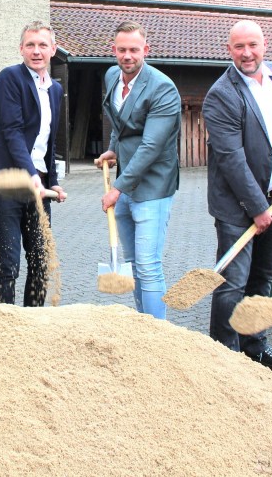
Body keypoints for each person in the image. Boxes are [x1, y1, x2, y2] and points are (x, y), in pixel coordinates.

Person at [203, 20, 272, 370]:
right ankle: (224, 355)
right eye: (239, 47)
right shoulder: (222, 94)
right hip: (239, 205)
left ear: (265, 44)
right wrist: (256, 207)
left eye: (252, 45)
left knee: (262, 278)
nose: (246, 53)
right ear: (228, 49)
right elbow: (231, 159)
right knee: (233, 282)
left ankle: (255, 345)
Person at [0, 22, 67, 306]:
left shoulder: (54, 89)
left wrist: (52, 180)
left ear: (53, 50)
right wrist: (31, 175)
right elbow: (12, 130)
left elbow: (48, 140)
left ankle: (33, 324)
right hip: (6, 179)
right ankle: (5, 325)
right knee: (10, 261)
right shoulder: (10, 78)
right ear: (21, 49)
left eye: (42, 45)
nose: (36, 51)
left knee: (40, 260)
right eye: (30, 45)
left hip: (37, 181)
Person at [95, 22, 181, 320]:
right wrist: (113, 148)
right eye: (122, 50)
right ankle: (143, 326)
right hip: (125, 179)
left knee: (147, 264)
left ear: (146, 50)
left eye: (134, 50)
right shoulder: (111, 76)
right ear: (114, 50)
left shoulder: (163, 88)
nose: (127, 56)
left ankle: (159, 334)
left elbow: (151, 146)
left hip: (152, 185)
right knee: (130, 264)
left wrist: (117, 188)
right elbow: (119, 123)